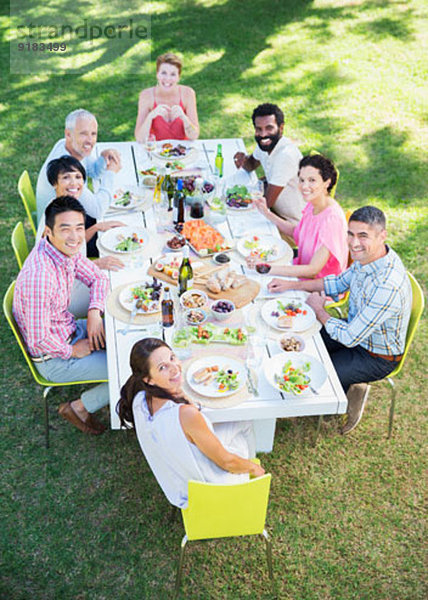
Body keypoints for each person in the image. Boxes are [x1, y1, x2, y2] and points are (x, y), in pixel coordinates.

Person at [267, 206, 412, 434]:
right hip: (355, 330)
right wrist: (291, 284)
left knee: (319, 376)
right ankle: (346, 383)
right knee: (303, 340)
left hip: (376, 356)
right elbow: (333, 284)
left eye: (363, 236)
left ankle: (345, 395)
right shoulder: (368, 258)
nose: (353, 243)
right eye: (350, 234)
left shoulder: (388, 285)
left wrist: (319, 311)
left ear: (382, 235)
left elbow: (349, 337)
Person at [117, 338, 264, 508]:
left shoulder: (139, 398)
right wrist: (253, 468)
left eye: (172, 358)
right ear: (148, 379)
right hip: (210, 487)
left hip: (177, 483)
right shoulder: (186, 415)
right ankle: (252, 476)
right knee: (244, 422)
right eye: (162, 367)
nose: (174, 369)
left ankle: (248, 467)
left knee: (232, 425)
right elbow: (227, 462)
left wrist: (182, 397)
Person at [13, 196, 111, 435]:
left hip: (70, 329)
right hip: (55, 357)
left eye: (79, 228)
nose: (75, 236)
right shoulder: (41, 277)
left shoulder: (65, 249)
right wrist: (73, 351)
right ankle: (79, 408)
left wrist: (94, 313)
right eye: (65, 229)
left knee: (132, 339)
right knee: (130, 368)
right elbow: (38, 340)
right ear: (49, 231)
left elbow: (98, 277)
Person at [249, 154, 348, 279]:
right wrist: (267, 213)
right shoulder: (314, 203)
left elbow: (313, 270)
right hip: (300, 269)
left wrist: (266, 268)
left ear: (326, 183)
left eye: (312, 180)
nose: (304, 186)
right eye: (302, 180)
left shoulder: (332, 220)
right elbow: (297, 232)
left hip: (318, 287)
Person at [36, 108, 122, 224]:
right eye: (83, 134)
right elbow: (98, 210)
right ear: (68, 134)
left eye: (93, 134)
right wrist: (111, 172)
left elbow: (94, 172)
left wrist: (103, 158)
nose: (90, 141)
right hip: (59, 228)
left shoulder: (68, 145)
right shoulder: (65, 168)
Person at [234, 103, 305, 227]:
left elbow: (266, 203)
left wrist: (235, 203)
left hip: (292, 225)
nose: (263, 134)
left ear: (281, 128)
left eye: (269, 128)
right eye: (258, 129)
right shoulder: (267, 145)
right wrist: (243, 160)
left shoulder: (285, 156)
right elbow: (251, 164)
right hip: (275, 214)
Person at [134, 53, 199, 143]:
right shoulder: (146, 96)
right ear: (157, 74)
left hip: (182, 153)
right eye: (164, 73)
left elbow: (193, 136)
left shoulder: (188, 93)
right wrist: (150, 116)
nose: (167, 79)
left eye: (173, 74)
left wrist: (184, 118)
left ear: (178, 77)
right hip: (156, 152)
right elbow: (140, 139)